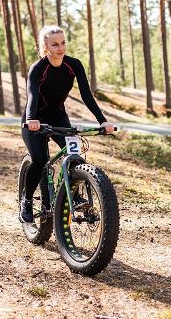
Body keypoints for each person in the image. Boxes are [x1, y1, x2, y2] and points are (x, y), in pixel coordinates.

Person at [20, 25, 115, 223]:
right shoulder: (38, 68)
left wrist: (103, 120)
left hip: (58, 117)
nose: (60, 48)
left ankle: (73, 192)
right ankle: (27, 201)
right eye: (54, 44)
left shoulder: (74, 65)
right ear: (45, 47)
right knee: (39, 159)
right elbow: (32, 96)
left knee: (75, 156)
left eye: (63, 43)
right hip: (35, 119)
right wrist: (31, 120)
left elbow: (87, 96)